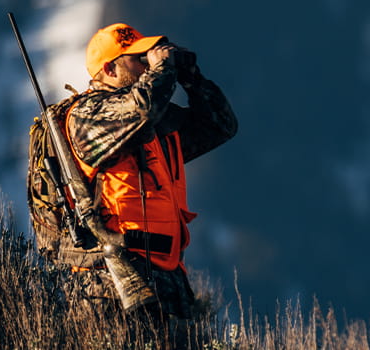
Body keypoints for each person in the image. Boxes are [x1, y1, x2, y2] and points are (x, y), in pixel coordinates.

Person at [25, 22, 237, 328]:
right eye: (138, 59)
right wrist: (162, 70)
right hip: (110, 285)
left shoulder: (154, 124)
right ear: (109, 70)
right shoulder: (88, 117)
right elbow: (143, 107)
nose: (146, 64)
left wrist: (192, 79)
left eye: (147, 57)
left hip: (168, 280)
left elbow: (220, 125)